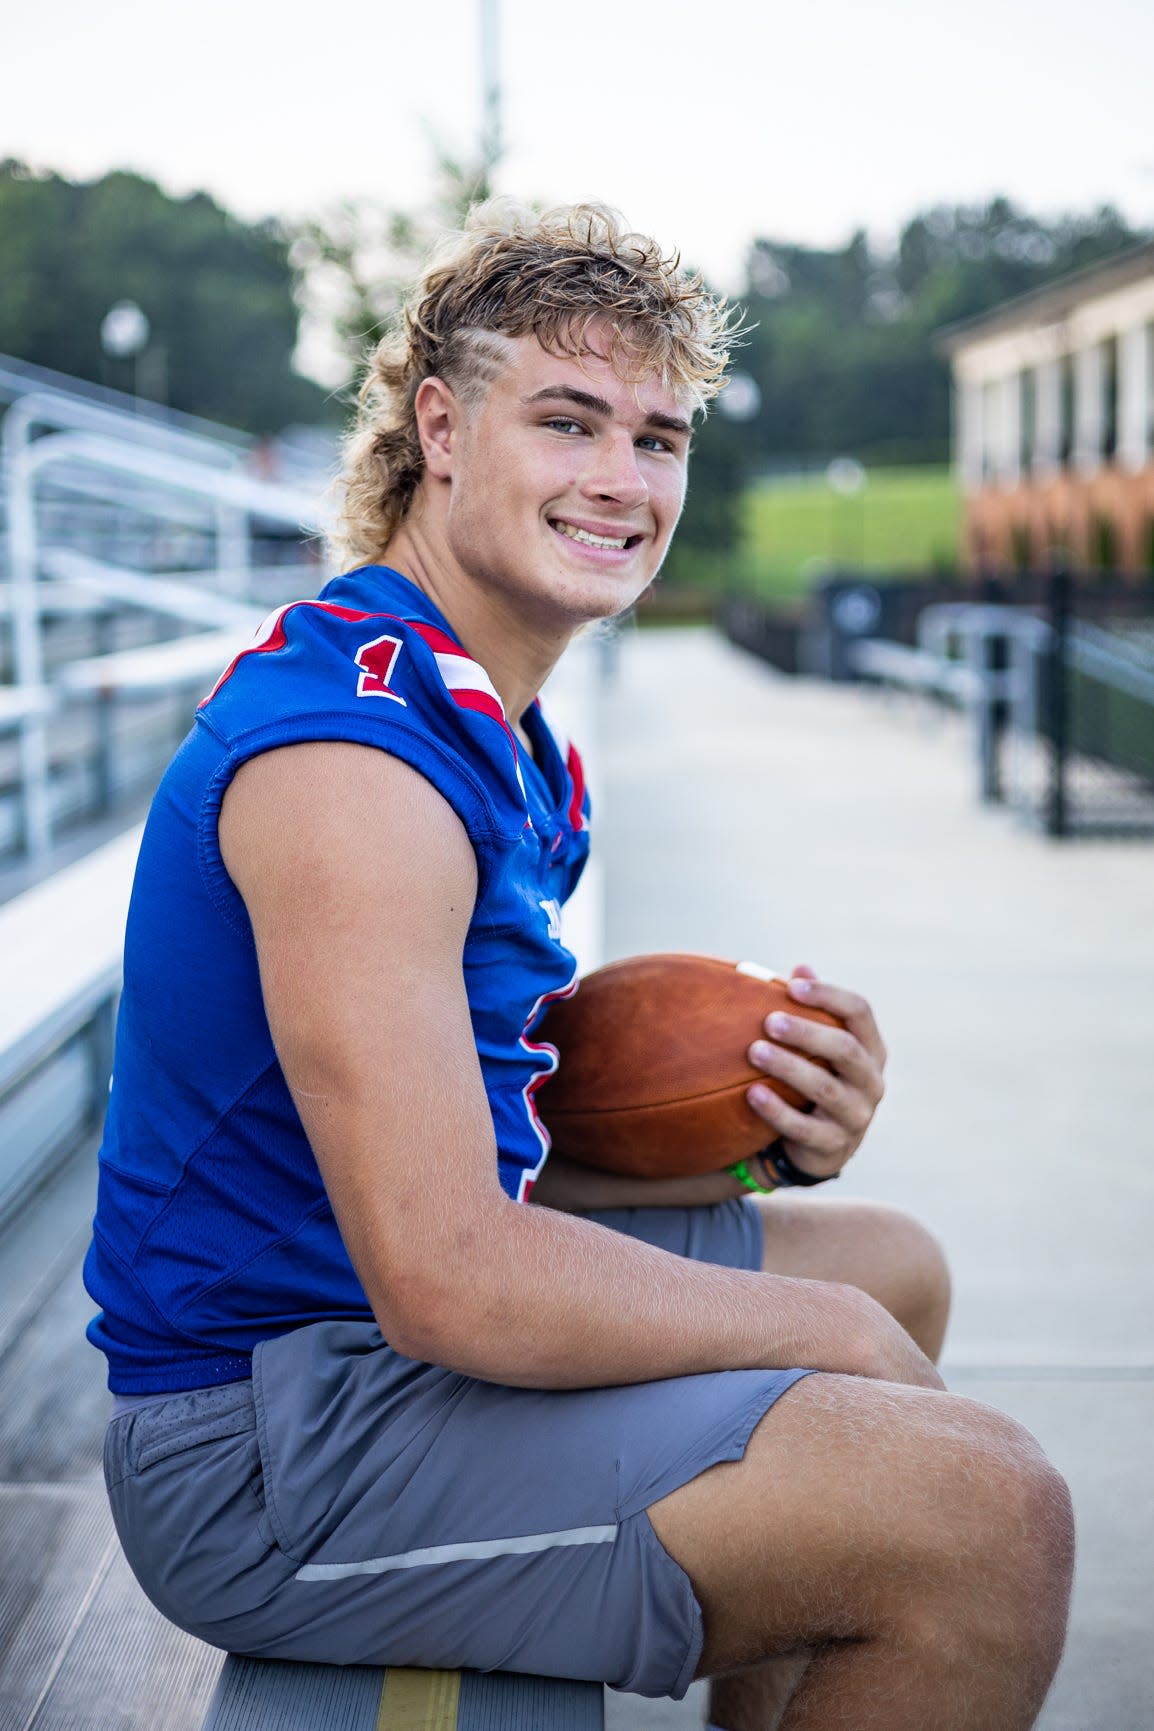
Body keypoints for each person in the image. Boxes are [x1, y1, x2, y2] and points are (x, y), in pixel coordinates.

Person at [85, 202, 1073, 1731]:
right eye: (568, 421)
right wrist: (821, 1346)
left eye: (658, 438)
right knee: (985, 1518)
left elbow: (492, 1156)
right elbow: (445, 1274)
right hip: (270, 1446)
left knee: (891, 1266)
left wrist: (755, 1143)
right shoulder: (358, 768)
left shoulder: (496, 725)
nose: (622, 480)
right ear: (441, 429)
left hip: (362, 1333)